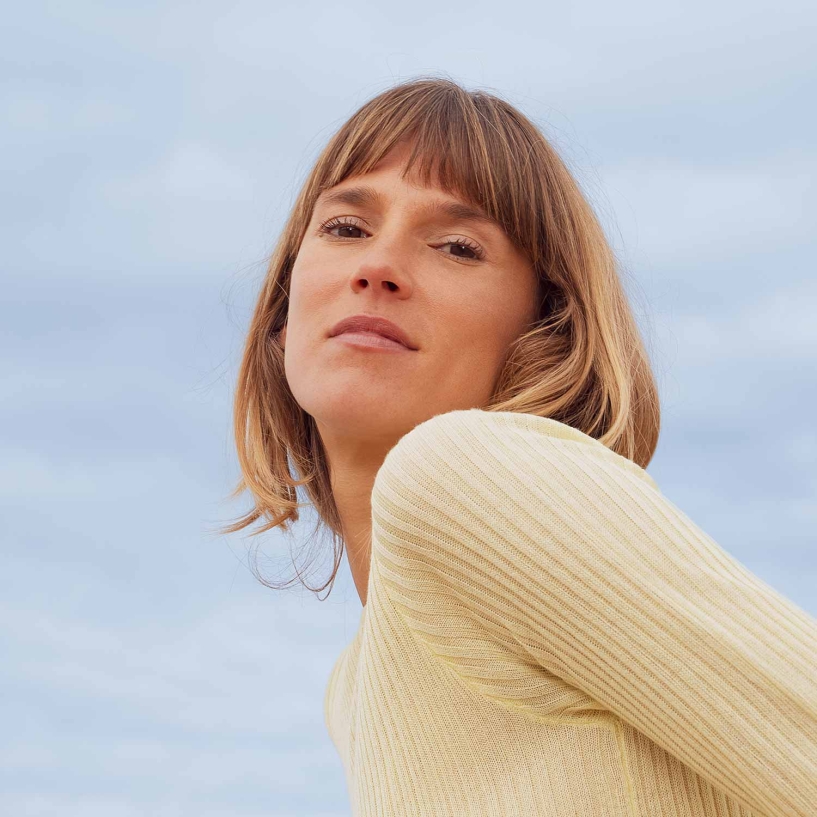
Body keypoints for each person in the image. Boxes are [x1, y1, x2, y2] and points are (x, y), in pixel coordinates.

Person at [223, 77, 817, 816]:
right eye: (346, 228)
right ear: (283, 314)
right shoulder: (352, 687)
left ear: (545, 329)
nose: (377, 267)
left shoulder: (467, 473)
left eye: (457, 247)